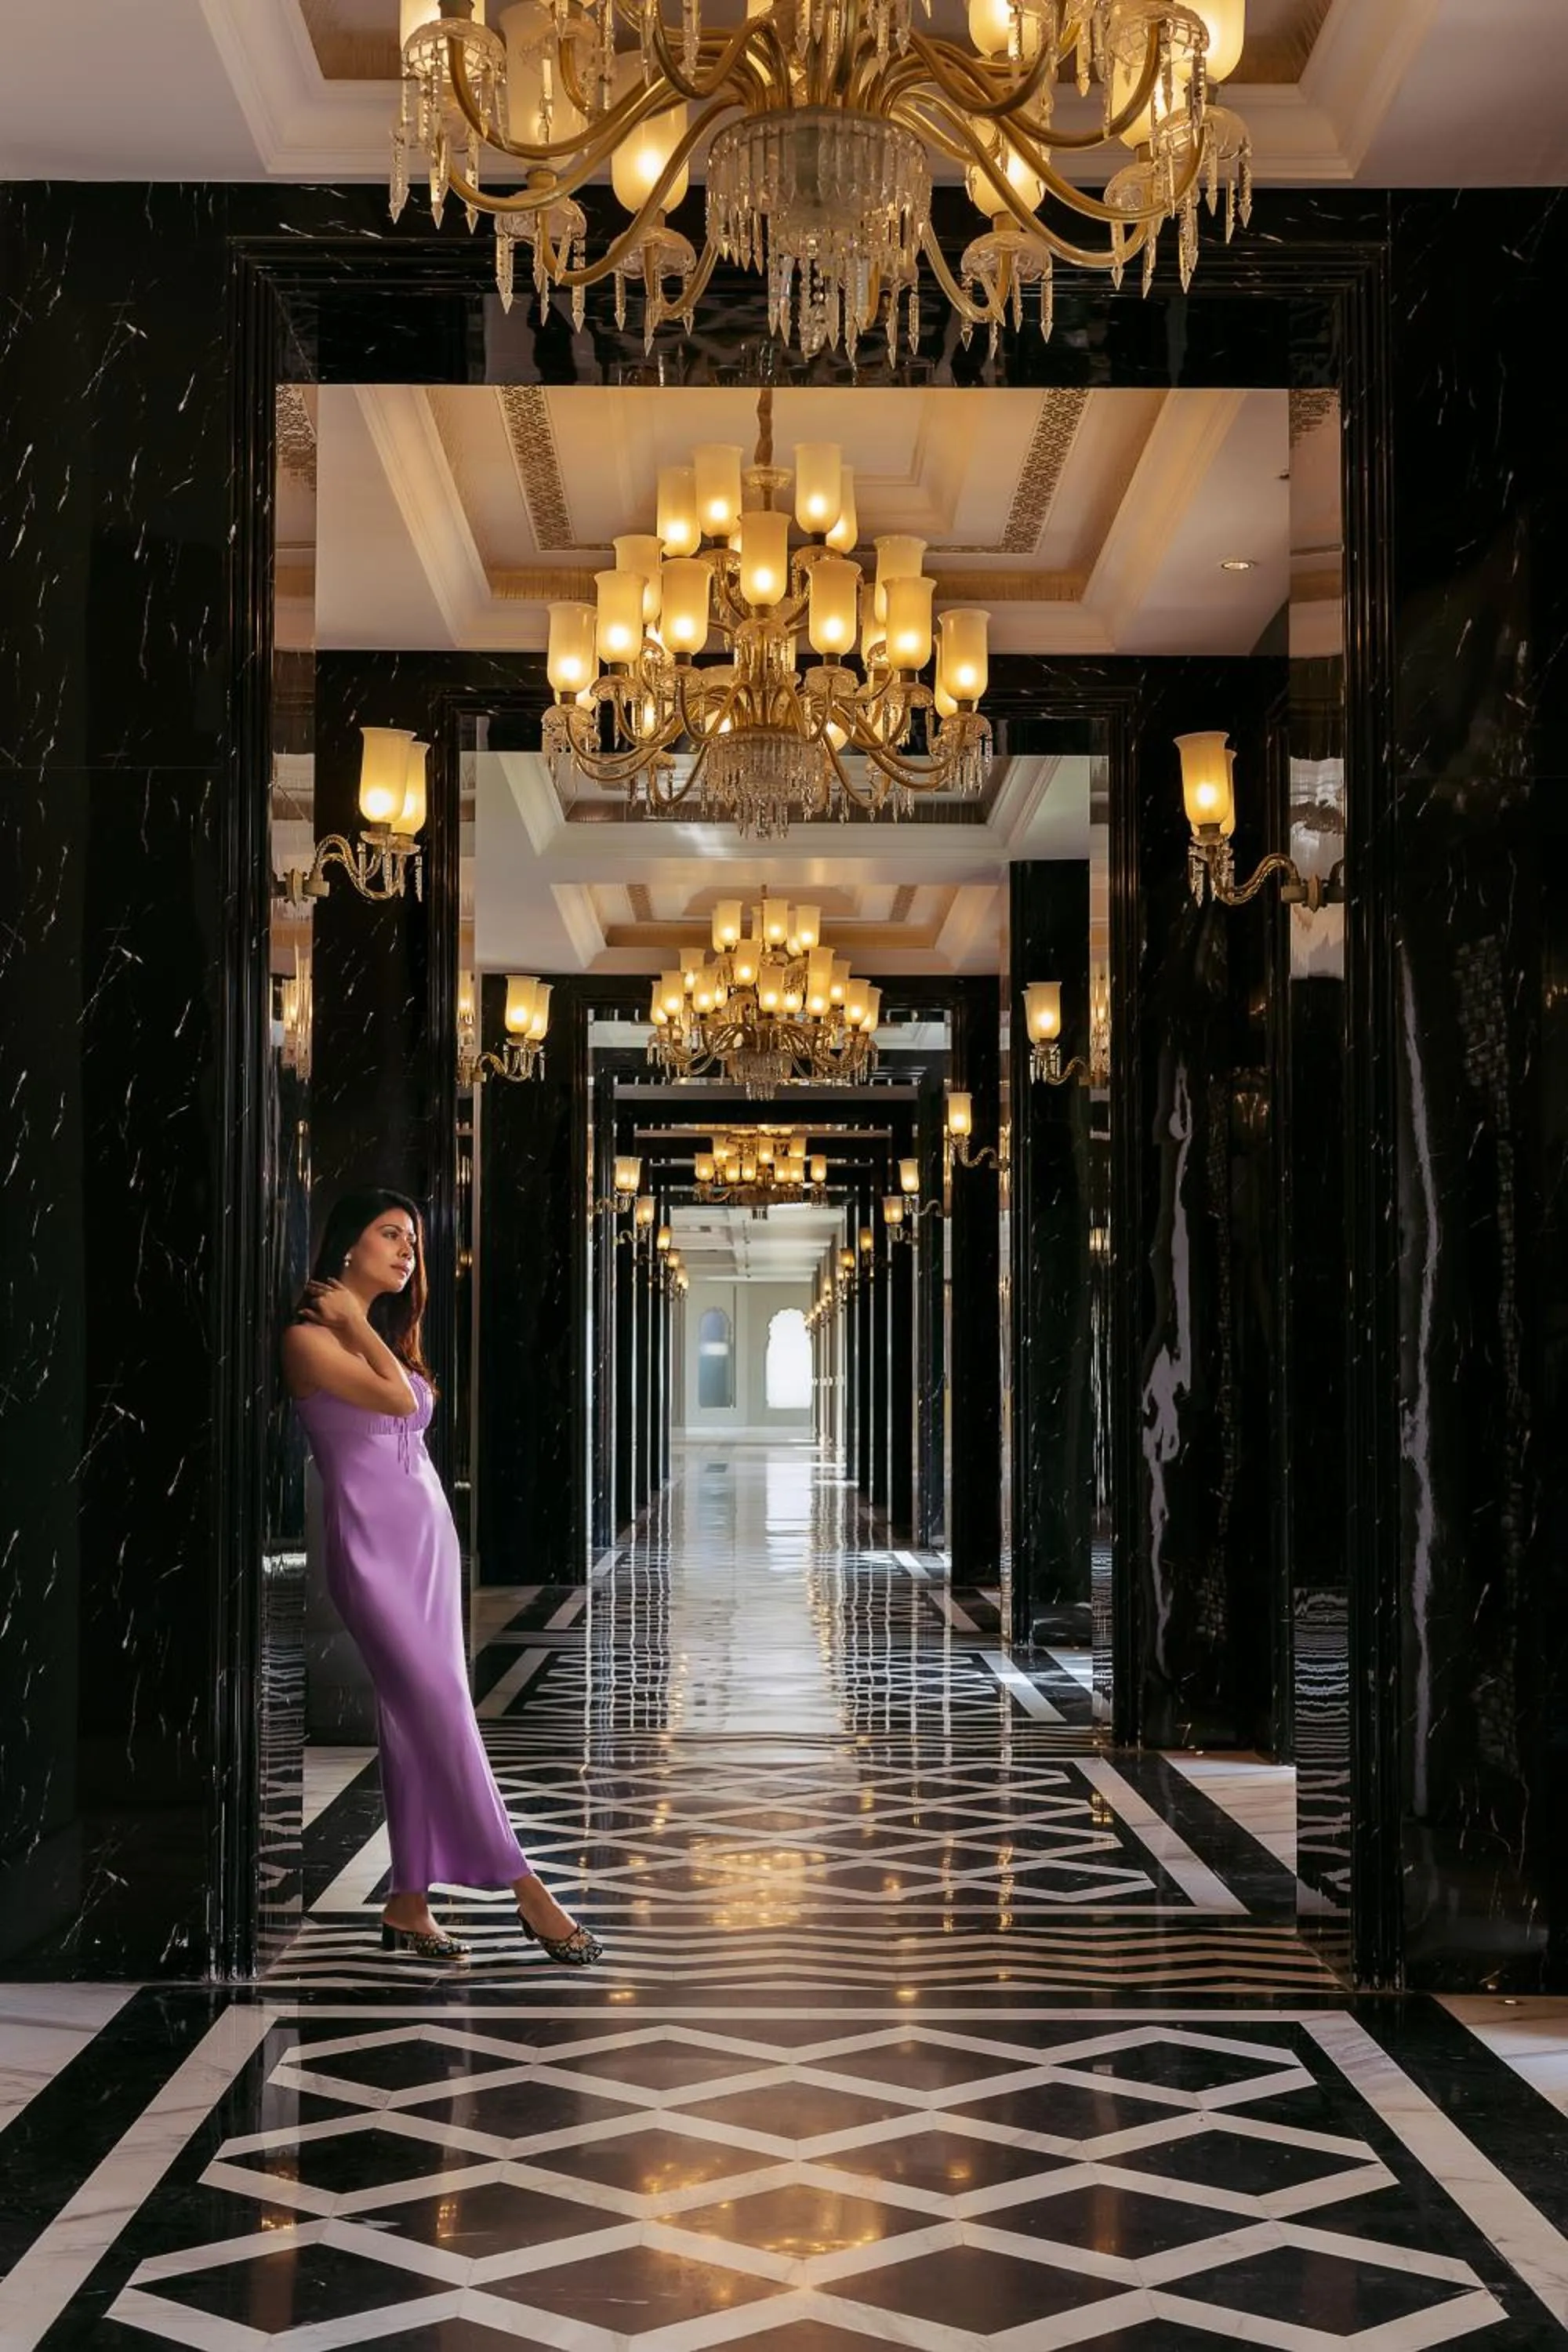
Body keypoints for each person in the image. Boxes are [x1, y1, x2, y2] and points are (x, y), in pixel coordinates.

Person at [282, 1187, 601, 1968]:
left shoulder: (374, 1331)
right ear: (345, 1248)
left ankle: (407, 1904)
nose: (405, 1252)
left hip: (427, 1546)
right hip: (370, 1553)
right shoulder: (306, 1338)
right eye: (389, 1235)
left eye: (413, 1242)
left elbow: (404, 1407)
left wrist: (368, 1328)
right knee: (442, 1715)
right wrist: (356, 1325)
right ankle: (528, 1891)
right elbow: (400, 1402)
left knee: (416, 1721)